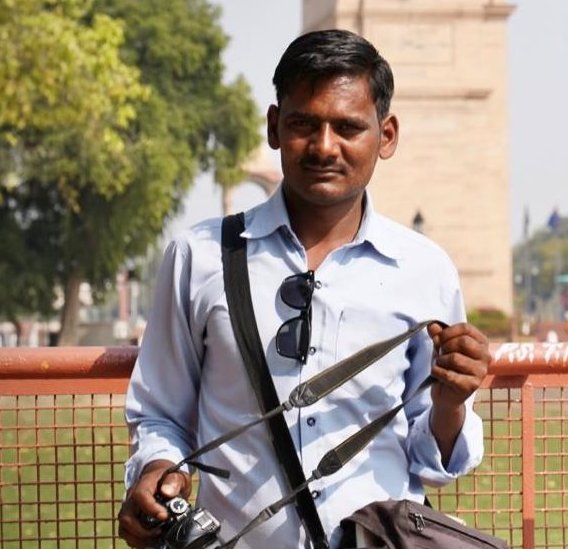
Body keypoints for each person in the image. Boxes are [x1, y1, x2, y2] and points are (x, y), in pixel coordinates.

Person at [117, 29, 490, 548]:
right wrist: (159, 469)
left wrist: (451, 404)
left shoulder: (425, 270)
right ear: (274, 127)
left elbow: (433, 462)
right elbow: (161, 410)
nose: (324, 147)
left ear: (386, 136)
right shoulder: (199, 257)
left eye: (348, 127)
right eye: (303, 124)